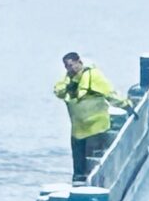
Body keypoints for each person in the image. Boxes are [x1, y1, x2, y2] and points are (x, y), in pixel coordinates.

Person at [53, 52, 132, 182]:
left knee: (92, 162)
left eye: (72, 65)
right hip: (78, 130)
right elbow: (58, 91)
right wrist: (68, 85)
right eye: (67, 66)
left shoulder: (93, 75)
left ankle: (95, 184)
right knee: (79, 167)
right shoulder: (68, 79)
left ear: (79, 62)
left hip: (96, 127)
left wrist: (126, 105)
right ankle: (78, 182)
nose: (71, 68)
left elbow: (109, 93)